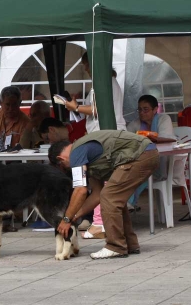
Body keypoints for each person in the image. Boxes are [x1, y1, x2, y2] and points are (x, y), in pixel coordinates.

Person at [48, 130, 159, 259]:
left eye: (64, 167)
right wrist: (74, 216)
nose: (68, 169)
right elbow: (96, 194)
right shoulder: (86, 154)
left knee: (109, 197)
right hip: (146, 153)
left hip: (141, 155)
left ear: (60, 159)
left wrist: (66, 219)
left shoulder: (76, 153)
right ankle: (130, 244)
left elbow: (80, 190)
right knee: (113, 197)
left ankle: (115, 247)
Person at [63, 52, 127, 238]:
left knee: (103, 183)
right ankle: (96, 220)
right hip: (103, 135)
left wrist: (74, 107)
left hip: (105, 138)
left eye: (86, 65)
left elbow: (98, 110)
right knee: (101, 184)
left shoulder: (104, 83)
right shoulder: (108, 82)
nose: (86, 70)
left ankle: (100, 222)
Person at [126, 95, 177, 208]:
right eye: (139, 109)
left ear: (155, 110)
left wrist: (148, 138)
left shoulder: (164, 119)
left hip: (161, 163)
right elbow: (126, 139)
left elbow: (167, 139)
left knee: (136, 172)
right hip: (141, 162)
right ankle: (124, 203)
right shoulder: (135, 124)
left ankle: (127, 202)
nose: (142, 113)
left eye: (146, 109)